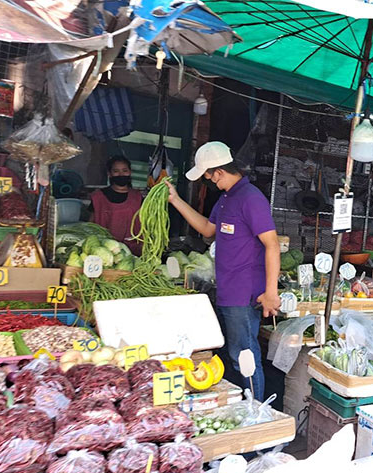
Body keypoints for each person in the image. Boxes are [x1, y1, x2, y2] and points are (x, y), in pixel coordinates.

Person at [165, 141, 281, 400]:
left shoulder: (251, 198)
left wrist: (271, 293)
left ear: (217, 172)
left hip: (244, 292)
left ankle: (256, 415)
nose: (207, 180)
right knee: (235, 355)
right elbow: (208, 230)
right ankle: (247, 407)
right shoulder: (227, 198)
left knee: (245, 356)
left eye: (207, 175)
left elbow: (272, 245)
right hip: (228, 290)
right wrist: (175, 200)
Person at [89, 155, 143, 255]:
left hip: (134, 252)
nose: (121, 174)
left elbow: (145, 224)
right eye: (116, 171)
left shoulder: (137, 197)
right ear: (109, 174)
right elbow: (90, 225)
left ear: (130, 172)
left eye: (124, 170)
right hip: (104, 250)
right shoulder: (98, 197)